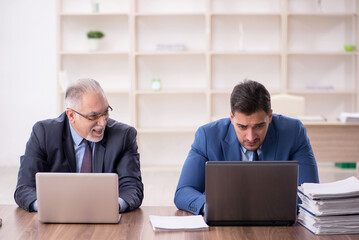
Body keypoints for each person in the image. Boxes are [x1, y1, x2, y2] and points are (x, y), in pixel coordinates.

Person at [174, 79, 319, 215]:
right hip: (224, 223)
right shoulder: (207, 136)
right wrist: (213, 207)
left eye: (259, 126)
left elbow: (310, 193)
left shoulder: (293, 132)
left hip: (277, 223)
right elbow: (184, 192)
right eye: (242, 127)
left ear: (270, 116)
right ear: (232, 118)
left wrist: (254, 207)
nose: (250, 137)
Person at [15, 78, 143, 212]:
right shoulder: (44, 133)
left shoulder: (123, 136)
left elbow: (132, 188)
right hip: (57, 217)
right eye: (93, 116)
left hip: (104, 218)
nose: (103, 123)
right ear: (71, 115)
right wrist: (47, 207)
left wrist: (112, 207)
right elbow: (24, 188)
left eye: (105, 112)